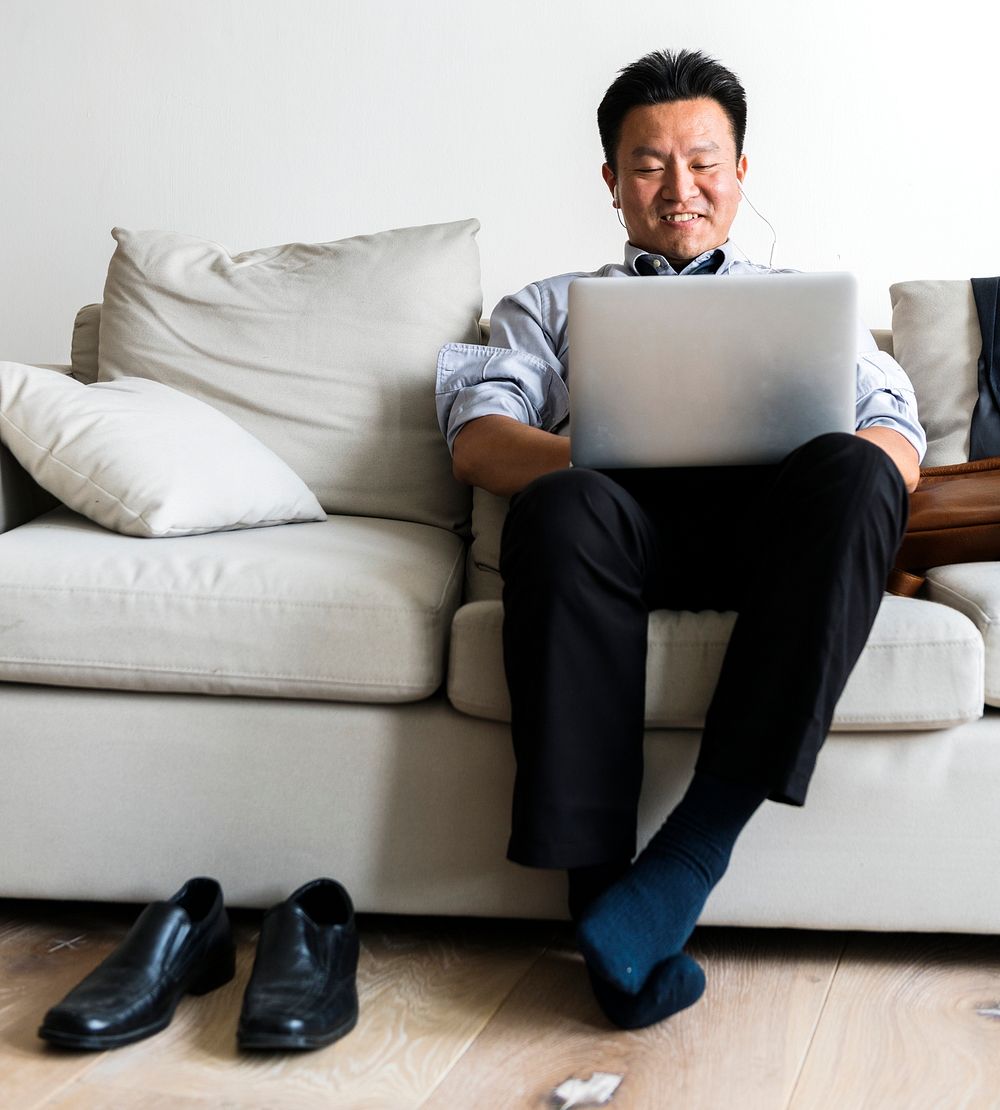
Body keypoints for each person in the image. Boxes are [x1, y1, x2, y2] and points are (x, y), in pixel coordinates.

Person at [435, 48, 925, 1030]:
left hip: (769, 545)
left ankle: (688, 857)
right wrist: (597, 454)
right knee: (559, 504)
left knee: (859, 470)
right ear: (612, 181)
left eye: (703, 161)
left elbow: (897, 442)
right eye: (649, 164)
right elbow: (479, 440)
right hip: (612, 538)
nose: (678, 187)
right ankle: (602, 903)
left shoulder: (804, 309)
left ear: (741, 173)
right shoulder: (546, 305)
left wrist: (843, 451)